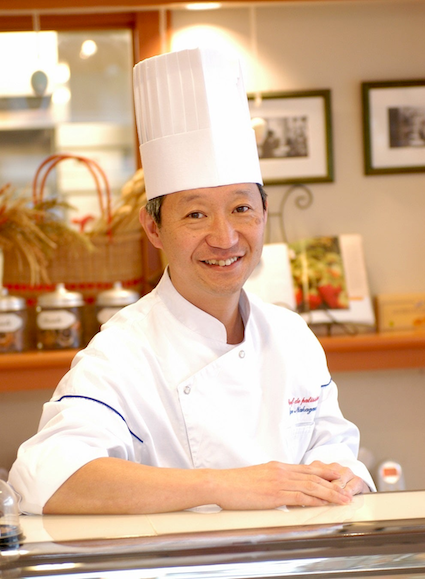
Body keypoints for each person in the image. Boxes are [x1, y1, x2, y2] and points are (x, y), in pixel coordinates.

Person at [8, 47, 375, 515]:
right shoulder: (123, 351)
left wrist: (345, 476)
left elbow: (335, 448)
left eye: (241, 208)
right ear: (153, 228)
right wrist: (221, 486)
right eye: (196, 214)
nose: (225, 238)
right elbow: (44, 478)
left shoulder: (292, 336)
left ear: (264, 213)